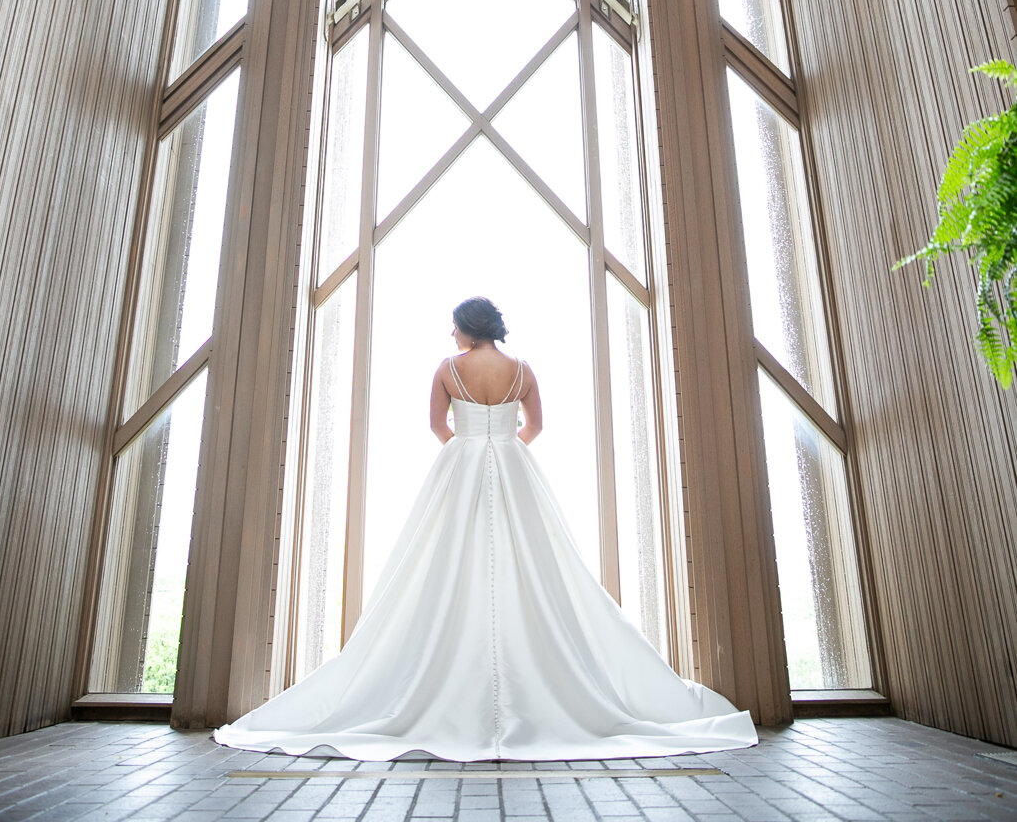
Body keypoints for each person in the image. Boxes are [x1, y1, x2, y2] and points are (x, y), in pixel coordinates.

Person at [214, 296, 757, 760]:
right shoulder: (523, 369)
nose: (450, 332)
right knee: (541, 569)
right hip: (515, 467)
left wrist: (468, 455)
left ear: (468, 328)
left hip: (463, 464)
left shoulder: (449, 368)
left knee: (443, 567)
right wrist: (505, 452)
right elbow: (537, 425)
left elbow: (435, 425)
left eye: (454, 324)